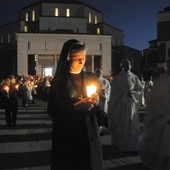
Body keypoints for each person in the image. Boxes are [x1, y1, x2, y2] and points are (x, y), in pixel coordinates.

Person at [47, 39, 103, 170]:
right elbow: (52, 111)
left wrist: (97, 101)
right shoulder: (59, 82)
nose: (81, 61)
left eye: (83, 58)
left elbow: (100, 105)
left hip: (89, 132)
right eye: (77, 57)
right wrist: (75, 107)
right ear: (68, 57)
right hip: (68, 134)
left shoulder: (91, 77)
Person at [139, 59, 170, 170]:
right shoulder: (159, 83)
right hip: (162, 127)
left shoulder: (159, 83)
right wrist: (165, 117)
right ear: (167, 67)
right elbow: (154, 106)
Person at [108, 58, 143, 152]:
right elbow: (114, 90)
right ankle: (120, 144)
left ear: (131, 65)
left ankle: (132, 146)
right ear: (122, 66)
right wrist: (123, 93)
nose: (127, 66)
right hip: (121, 105)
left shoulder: (134, 77)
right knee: (121, 124)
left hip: (131, 104)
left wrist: (133, 93)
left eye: (129, 64)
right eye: (125, 64)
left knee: (131, 124)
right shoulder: (118, 76)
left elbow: (140, 89)